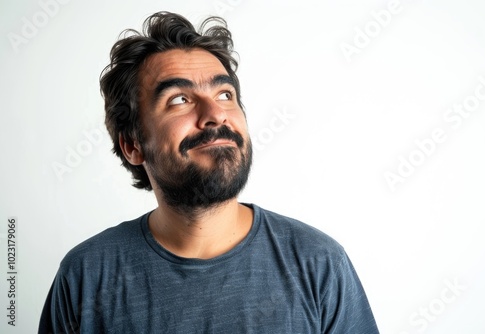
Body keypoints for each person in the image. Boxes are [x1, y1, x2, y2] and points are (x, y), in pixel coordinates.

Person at [39, 11, 379, 333]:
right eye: (178, 100)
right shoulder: (86, 276)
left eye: (225, 94)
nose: (215, 114)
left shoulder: (319, 264)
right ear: (132, 145)